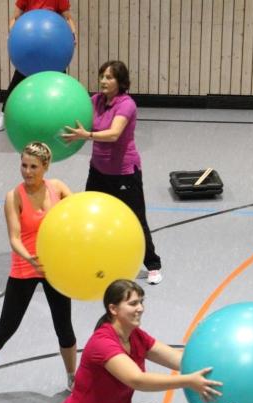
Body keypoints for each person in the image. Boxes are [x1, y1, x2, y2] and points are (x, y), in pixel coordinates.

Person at [41, 279, 222, 403]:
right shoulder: (102, 343)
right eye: (133, 303)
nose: (140, 308)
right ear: (113, 308)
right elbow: (137, 379)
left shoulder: (136, 336)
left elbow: (177, 359)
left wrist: (201, 344)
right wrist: (188, 381)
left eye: (141, 302)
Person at [0, 142, 77, 397]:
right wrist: (31, 258)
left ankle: (72, 378)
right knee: (6, 327)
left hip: (54, 269)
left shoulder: (58, 188)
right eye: (24, 165)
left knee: (64, 328)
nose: (27, 171)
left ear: (46, 166)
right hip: (25, 267)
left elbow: (80, 214)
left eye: (33, 166)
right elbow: (14, 238)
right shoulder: (14, 196)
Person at [62, 60, 162, 285]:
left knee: (136, 219)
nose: (103, 81)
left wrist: (85, 135)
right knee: (92, 216)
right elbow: (73, 114)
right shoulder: (96, 100)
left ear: (120, 82)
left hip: (124, 172)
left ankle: (153, 265)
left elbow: (114, 134)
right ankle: (94, 260)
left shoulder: (127, 104)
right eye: (102, 76)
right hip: (98, 169)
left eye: (109, 77)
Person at [0, 0, 77, 131]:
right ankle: (4, 114)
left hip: (52, 48)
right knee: (17, 80)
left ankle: (65, 118)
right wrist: (13, 32)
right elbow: (15, 18)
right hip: (31, 47)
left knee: (60, 82)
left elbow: (68, 18)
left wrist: (73, 34)